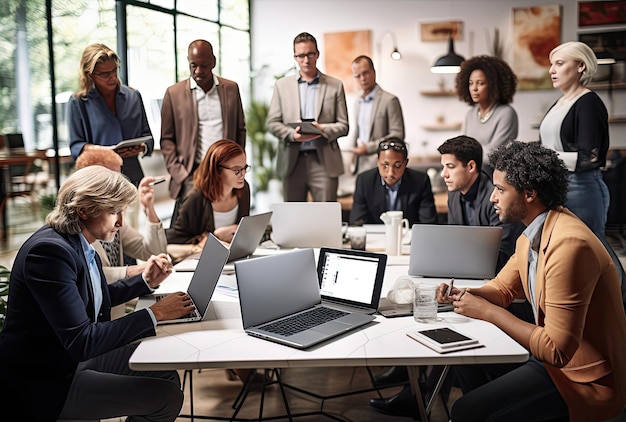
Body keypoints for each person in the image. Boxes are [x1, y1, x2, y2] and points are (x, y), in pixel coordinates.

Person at [438, 141, 626, 422]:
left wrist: (488, 312)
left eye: (500, 189)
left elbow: (556, 350)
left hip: (584, 379)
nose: (492, 198)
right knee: (465, 363)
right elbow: (502, 290)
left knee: (466, 410)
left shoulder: (569, 245)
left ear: (529, 194)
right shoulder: (534, 231)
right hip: (553, 362)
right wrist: (464, 294)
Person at [0, 166, 192, 421]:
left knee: (164, 373)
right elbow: (83, 340)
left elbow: (94, 301)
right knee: (166, 397)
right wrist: (155, 314)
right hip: (45, 382)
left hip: (70, 361)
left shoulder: (79, 244)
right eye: (114, 212)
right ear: (84, 210)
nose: (121, 222)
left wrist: (145, 282)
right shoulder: (48, 253)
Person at [369, 136, 528, 418]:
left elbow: (501, 252)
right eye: (443, 166)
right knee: (424, 302)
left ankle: (428, 396)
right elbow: (457, 239)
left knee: (443, 314)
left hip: (499, 281)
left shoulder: (495, 194)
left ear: (471, 166)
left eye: (450, 167)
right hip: (468, 274)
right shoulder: (455, 194)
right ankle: (427, 394)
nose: (443, 174)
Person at [75, 147, 168, 318]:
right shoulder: (75, 230)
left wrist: (149, 208)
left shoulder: (113, 220)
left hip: (112, 316)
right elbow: (88, 278)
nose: (120, 183)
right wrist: (134, 271)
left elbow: (152, 252)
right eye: (113, 177)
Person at [160, 39, 246, 222]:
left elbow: (240, 129)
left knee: (229, 220)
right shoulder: (173, 93)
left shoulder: (231, 89)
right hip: (192, 172)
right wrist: (180, 174)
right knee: (190, 227)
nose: (199, 71)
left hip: (225, 169)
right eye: (194, 65)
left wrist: (237, 166)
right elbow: (167, 139)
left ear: (213, 62)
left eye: (204, 66)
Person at [539, 41, 610, 239]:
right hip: (555, 187)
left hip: (581, 189)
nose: (552, 70)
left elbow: (591, 157)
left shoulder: (588, 102)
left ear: (581, 66)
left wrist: (545, 158)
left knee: (585, 251)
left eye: (560, 63)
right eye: (551, 64)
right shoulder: (559, 103)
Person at [267, 31, 349, 202]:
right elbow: (272, 123)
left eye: (310, 54)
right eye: (301, 55)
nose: (306, 60)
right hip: (292, 162)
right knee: (293, 218)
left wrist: (323, 129)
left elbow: (344, 125)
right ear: (295, 57)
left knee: (326, 216)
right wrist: (291, 134)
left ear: (317, 54)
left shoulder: (335, 85)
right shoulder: (282, 86)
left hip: (324, 162)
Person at [67, 43, 153, 186]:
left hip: (133, 173)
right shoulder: (78, 102)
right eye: (105, 74)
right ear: (90, 74)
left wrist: (142, 147)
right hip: (98, 176)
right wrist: (103, 151)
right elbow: (76, 146)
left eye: (115, 70)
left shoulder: (133, 96)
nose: (112, 77)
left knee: (136, 208)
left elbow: (148, 137)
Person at [166, 139, 250, 256]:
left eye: (245, 168)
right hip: (202, 260)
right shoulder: (195, 199)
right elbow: (172, 240)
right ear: (217, 170)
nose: (243, 174)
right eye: (237, 170)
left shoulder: (243, 189)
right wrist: (215, 237)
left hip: (231, 257)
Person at [349, 138, 436, 226]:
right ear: (378, 162)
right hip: (375, 237)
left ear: (405, 163)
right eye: (385, 165)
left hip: (409, 237)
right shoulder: (365, 181)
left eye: (397, 166)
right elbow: (357, 222)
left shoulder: (420, 181)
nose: (390, 173)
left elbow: (428, 224)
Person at [455, 55, 518, 174]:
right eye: (471, 83)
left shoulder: (506, 113)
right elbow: (460, 148)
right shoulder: (471, 114)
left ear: (494, 86)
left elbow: (493, 155)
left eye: (480, 83)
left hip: (494, 179)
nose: (474, 88)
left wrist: (468, 152)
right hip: (471, 177)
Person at [349, 55, 405, 174]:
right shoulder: (357, 102)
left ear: (373, 72)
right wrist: (352, 153)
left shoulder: (390, 100)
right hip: (360, 163)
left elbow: (398, 134)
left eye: (365, 73)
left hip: (382, 163)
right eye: (357, 76)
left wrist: (368, 147)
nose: (362, 79)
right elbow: (358, 130)